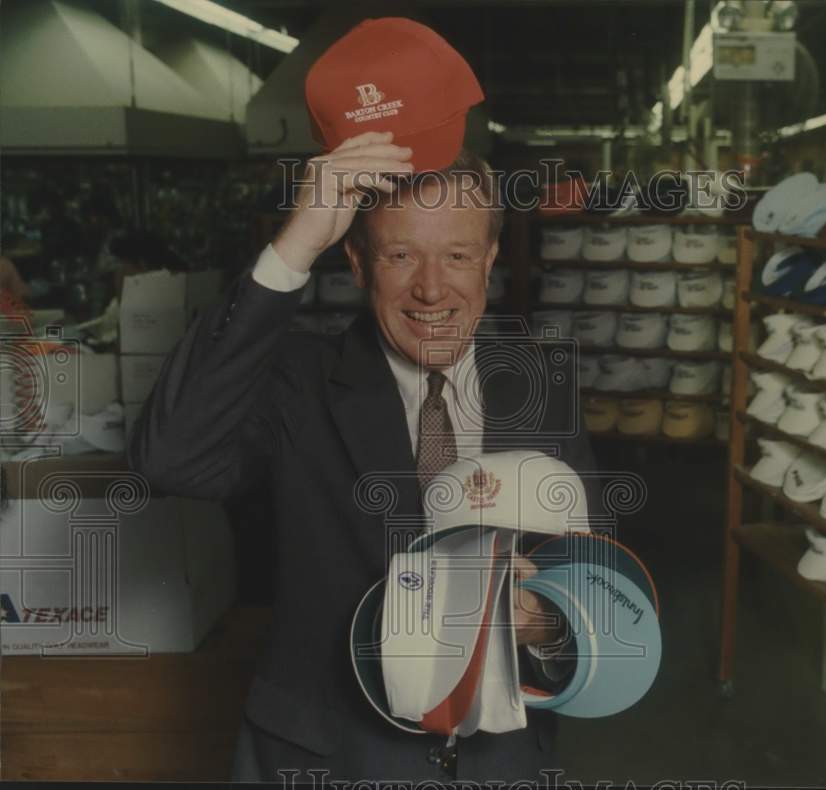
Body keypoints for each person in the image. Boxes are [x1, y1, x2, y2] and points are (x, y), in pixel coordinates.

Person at [127, 131, 599, 783]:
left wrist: (546, 622)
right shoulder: (297, 381)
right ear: (355, 261)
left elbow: (592, 584)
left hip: (501, 766)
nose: (431, 289)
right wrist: (294, 245)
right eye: (400, 254)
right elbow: (170, 457)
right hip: (328, 760)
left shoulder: (540, 391)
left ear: (489, 259)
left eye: (457, 254)